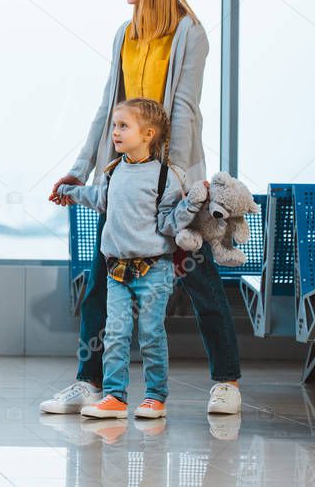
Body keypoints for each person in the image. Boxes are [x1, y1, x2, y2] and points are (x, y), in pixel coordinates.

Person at [40, 0, 243, 417]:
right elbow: (108, 108)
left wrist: (173, 184)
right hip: (123, 179)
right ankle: (90, 384)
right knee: (99, 282)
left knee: (200, 281)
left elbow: (185, 110)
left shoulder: (190, 33)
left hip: (170, 184)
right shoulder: (124, 34)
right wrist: (82, 167)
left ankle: (227, 382)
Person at [56, 98, 206, 419]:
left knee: (151, 333)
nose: (115, 132)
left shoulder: (166, 177)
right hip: (117, 270)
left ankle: (155, 397)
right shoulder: (112, 172)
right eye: (114, 126)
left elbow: (168, 223)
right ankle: (114, 397)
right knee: (115, 333)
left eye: (123, 126)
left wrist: (191, 205)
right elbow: (99, 199)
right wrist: (70, 192)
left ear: (148, 133)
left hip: (154, 269)